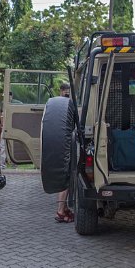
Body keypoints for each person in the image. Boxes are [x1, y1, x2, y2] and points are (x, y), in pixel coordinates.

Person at [55, 82, 74, 223]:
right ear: (61, 91)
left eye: (68, 91)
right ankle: (61, 211)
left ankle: (64, 208)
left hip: (61, 144)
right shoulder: (63, 106)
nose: (67, 93)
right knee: (65, 179)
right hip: (64, 146)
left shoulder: (57, 106)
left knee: (65, 178)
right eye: (65, 91)